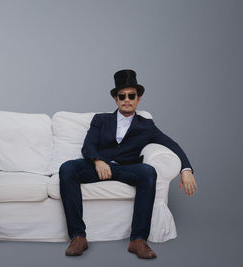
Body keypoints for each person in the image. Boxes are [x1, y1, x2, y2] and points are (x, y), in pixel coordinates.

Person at [59, 69, 197, 259]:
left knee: (148, 172)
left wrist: (186, 169)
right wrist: (98, 161)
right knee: (67, 168)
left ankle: (138, 240)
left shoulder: (146, 125)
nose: (126, 99)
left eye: (131, 96)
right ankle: (78, 237)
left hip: (126, 169)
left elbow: (172, 144)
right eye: (122, 96)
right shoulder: (101, 119)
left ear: (138, 99)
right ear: (116, 99)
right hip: (97, 167)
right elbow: (88, 146)